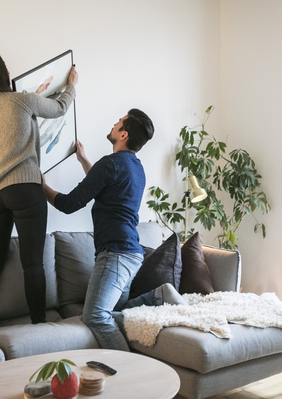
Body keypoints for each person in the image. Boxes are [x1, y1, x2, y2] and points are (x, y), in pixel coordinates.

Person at [42, 109, 187, 351]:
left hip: (115, 254)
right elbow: (103, 185)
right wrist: (83, 160)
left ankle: (128, 370)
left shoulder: (109, 164)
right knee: (116, 313)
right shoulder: (135, 167)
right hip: (131, 254)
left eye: (118, 123)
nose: (113, 124)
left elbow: (68, 204)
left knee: (95, 316)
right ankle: (159, 296)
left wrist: (42, 187)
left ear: (123, 134)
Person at [0, 50, 78, 328]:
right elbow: (59, 108)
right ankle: (39, 322)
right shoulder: (21, 101)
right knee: (32, 262)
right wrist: (71, 85)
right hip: (24, 189)